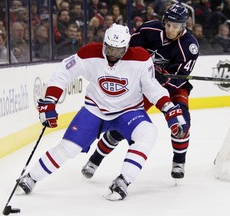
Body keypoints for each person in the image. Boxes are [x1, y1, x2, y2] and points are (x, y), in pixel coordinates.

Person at [17, 23, 188, 201]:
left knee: (149, 133)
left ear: (127, 47)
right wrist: (50, 100)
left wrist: (168, 108)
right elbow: (63, 72)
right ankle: (30, 178)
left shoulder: (140, 58)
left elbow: (152, 88)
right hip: (94, 109)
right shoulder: (90, 52)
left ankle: (123, 181)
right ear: (104, 44)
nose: (113, 55)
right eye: (110, 49)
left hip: (128, 111)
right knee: (68, 148)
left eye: (118, 51)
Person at [82, 3, 199, 180]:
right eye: (168, 24)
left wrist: (164, 77)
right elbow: (127, 52)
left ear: (183, 27)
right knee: (123, 124)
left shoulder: (190, 46)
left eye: (175, 27)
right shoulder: (149, 30)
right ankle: (95, 159)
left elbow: (180, 77)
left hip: (174, 88)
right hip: (145, 85)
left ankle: (179, 161)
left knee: (182, 122)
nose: (170, 29)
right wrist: (146, 74)